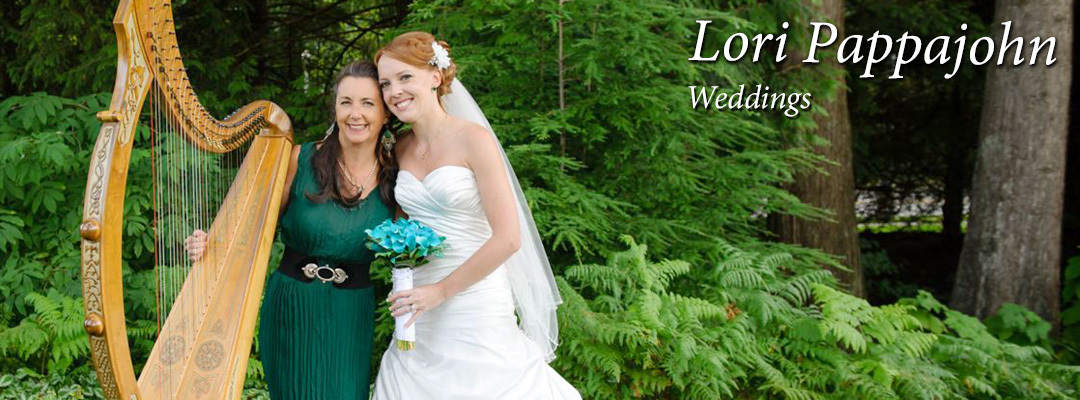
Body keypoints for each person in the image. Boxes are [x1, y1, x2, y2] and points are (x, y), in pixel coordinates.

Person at [371, 31, 580, 399]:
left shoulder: (474, 140)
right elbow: (404, 228)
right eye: (386, 83)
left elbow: (508, 238)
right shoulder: (399, 148)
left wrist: (441, 291)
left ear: (435, 77)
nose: (394, 91)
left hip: (475, 301)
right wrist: (405, 277)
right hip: (420, 304)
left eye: (405, 77)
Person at [185, 60, 397, 400]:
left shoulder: (395, 180)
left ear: (385, 114)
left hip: (349, 316)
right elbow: (254, 229)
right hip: (291, 306)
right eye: (346, 102)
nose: (355, 114)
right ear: (335, 110)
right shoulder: (300, 159)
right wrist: (212, 242)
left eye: (367, 103)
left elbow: (415, 253)